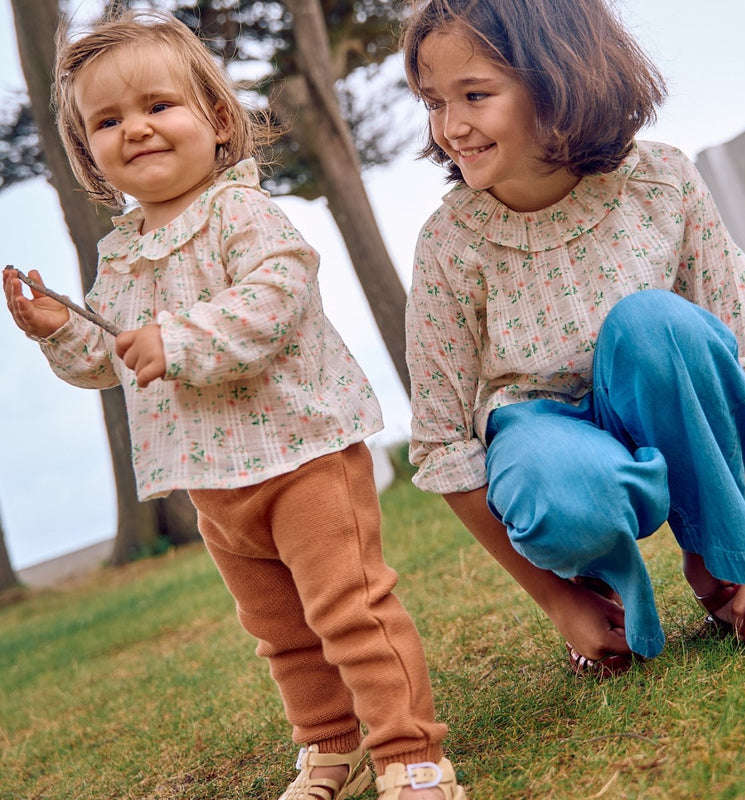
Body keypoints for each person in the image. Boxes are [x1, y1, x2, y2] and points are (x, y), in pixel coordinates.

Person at [2, 10, 467, 800]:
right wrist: (59, 333)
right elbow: (114, 358)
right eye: (108, 121)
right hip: (212, 479)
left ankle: (408, 752)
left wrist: (175, 338)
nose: (136, 130)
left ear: (218, 121)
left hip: (303, 454)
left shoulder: (239, 213)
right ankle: (329, 744)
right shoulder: (122, 257)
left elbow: (275, 298)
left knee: (350, 611)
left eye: (158, 105)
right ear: (89, 155)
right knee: (281, 633)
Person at [399, 0, 745, 678]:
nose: (452, 127)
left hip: (660, 401)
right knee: (553, 477)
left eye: (475, 95)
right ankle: (604, 593)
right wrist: (557, 602)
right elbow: (442, 444)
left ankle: (724, 565)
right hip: (544, 431)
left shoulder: (662, 181)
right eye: (435, 101)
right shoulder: (449, 244)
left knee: (659, 325)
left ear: (560, 80)